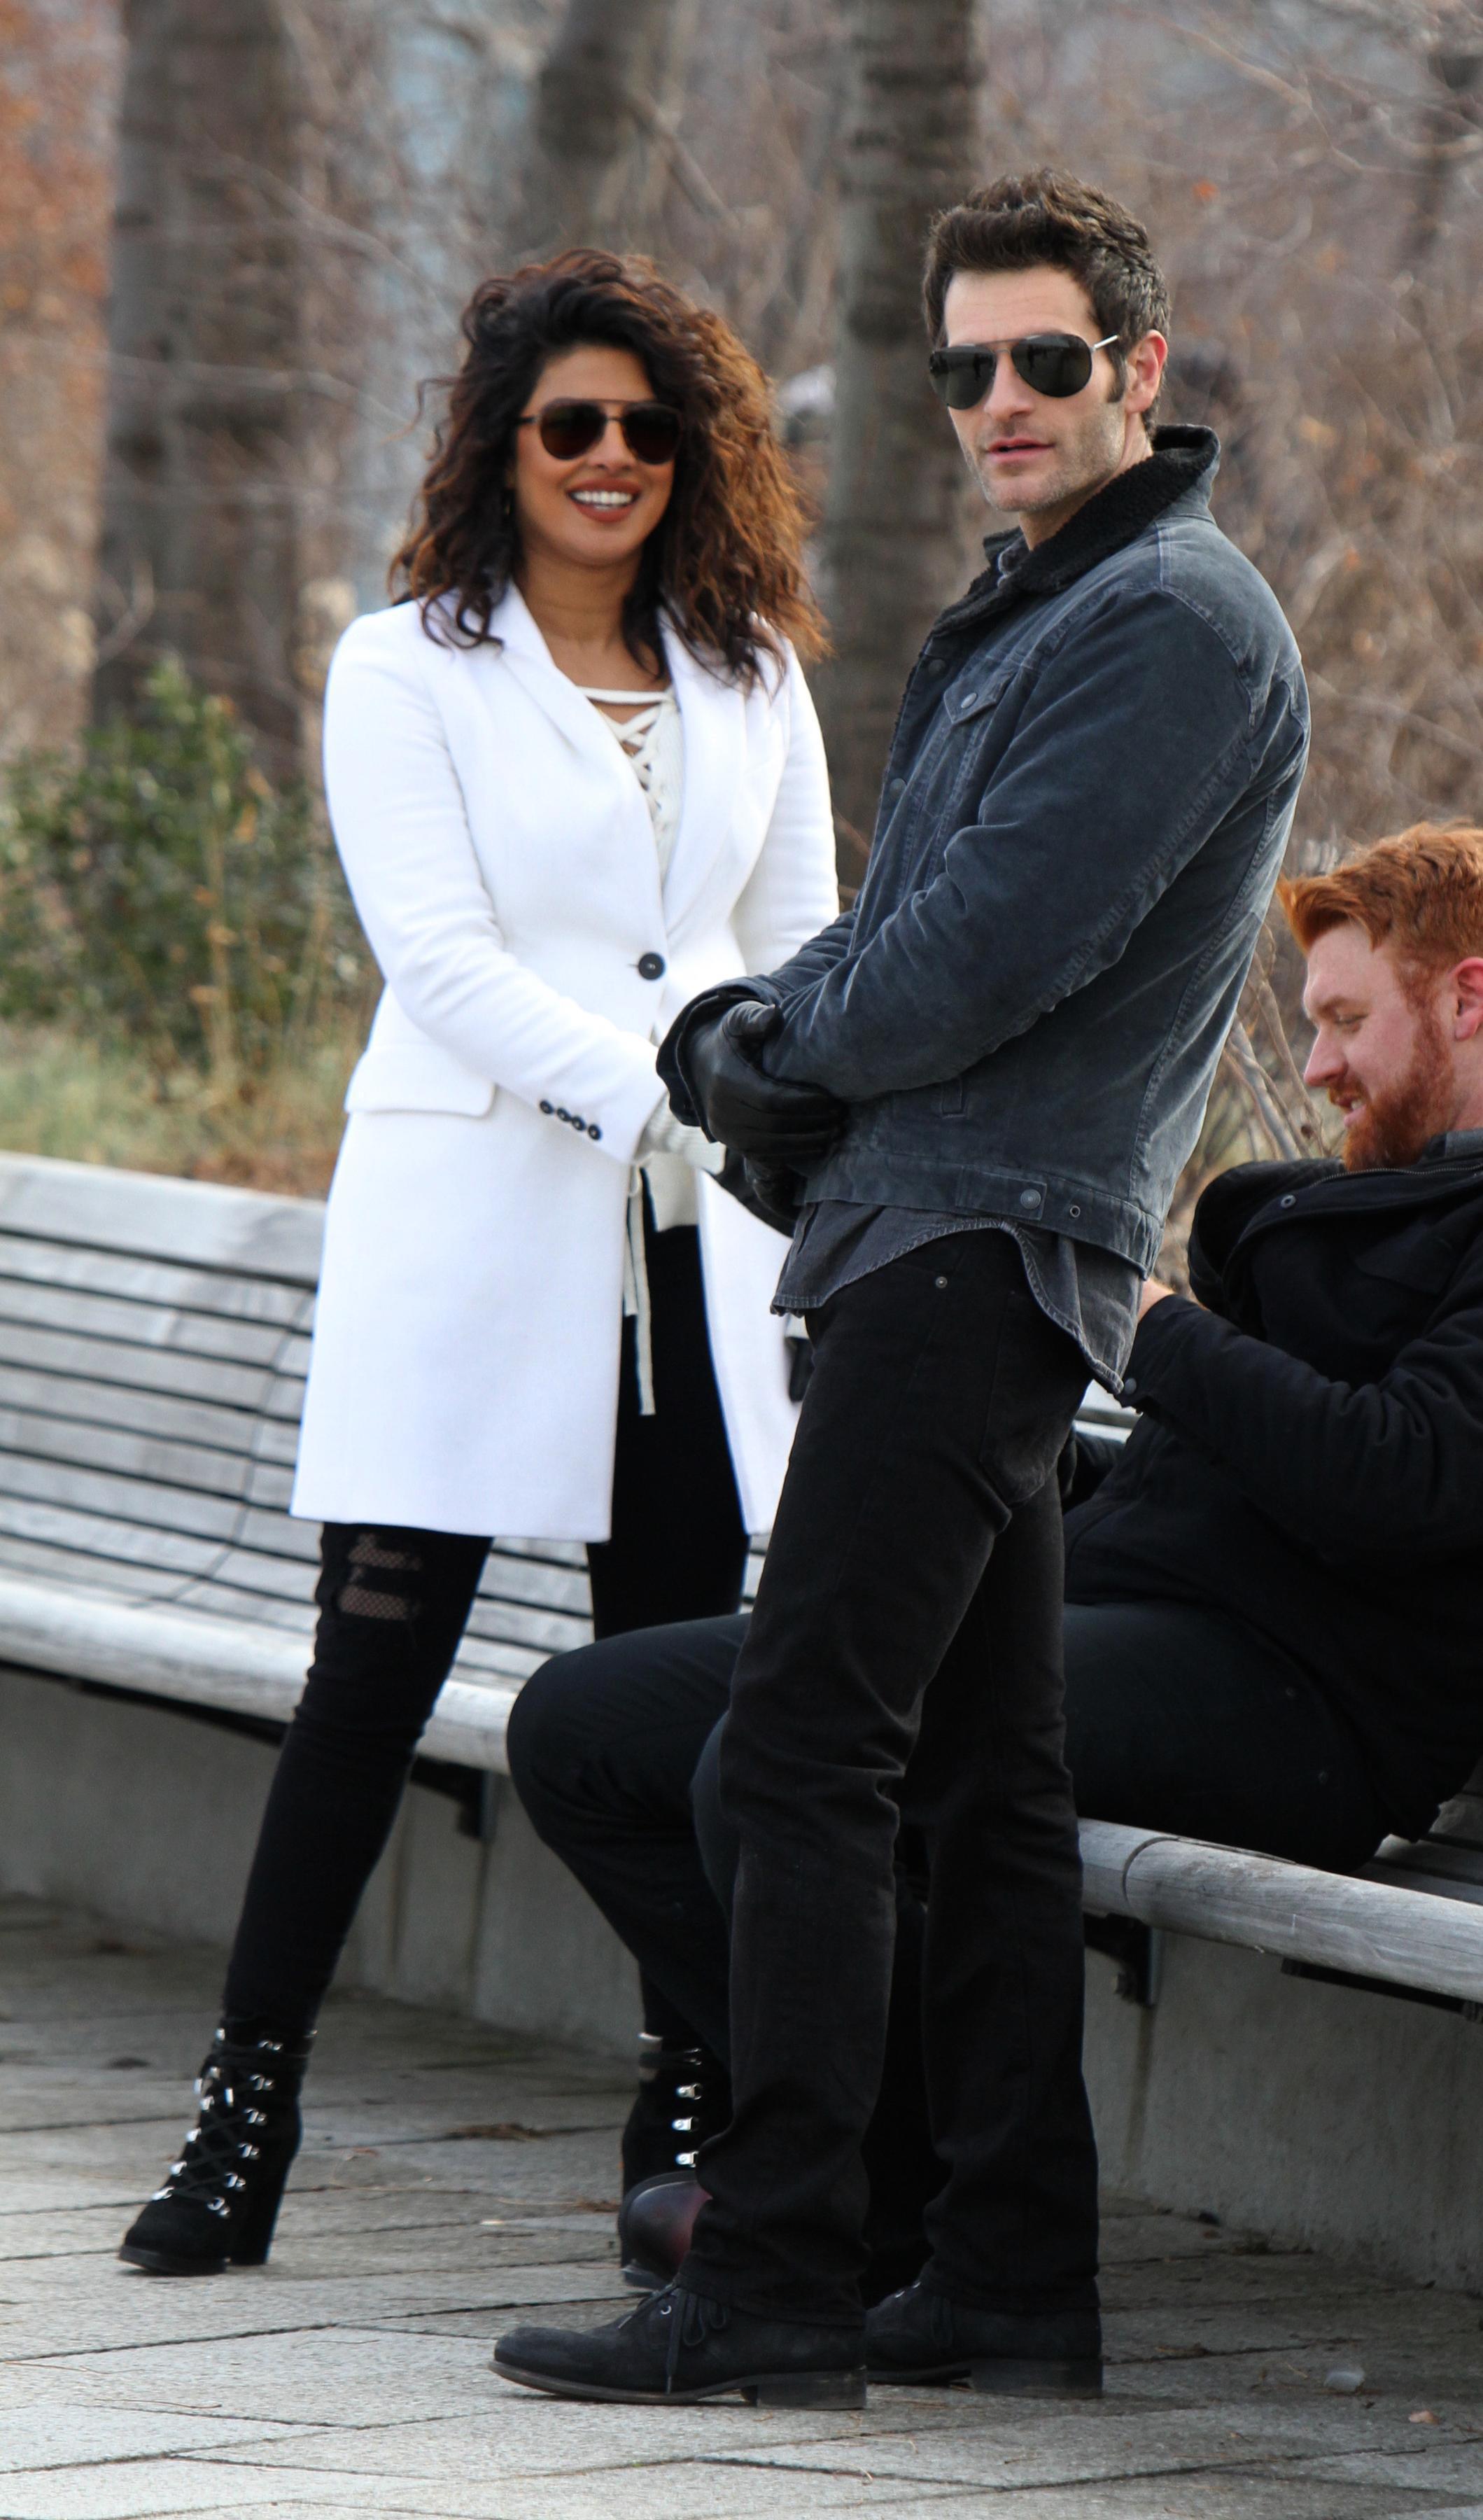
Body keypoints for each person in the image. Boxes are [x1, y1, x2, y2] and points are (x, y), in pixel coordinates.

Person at [492, 168, 1309, 2410]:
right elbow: (899, 909)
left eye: (1048, 358)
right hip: (932, 1236)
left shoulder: (1173, 624)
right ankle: (1010, 2275)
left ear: (1142, 367)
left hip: (982, 1247)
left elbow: (979, 954)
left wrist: (765, 1051)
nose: (1002, 400)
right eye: (967, 368)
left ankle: (772, 2281)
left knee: (799, 1755)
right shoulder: (1047, 604)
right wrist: (754, 1030)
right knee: (979, 1786)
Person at [118, 249, 840, 2279]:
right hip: (475, 1228)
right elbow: (436, 960)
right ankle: (243, 2110)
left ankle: (686, 2106)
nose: (611, 456)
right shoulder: (405, 666)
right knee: (370, 1678)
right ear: (501, 445)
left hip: (688, 1261)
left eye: (649, 425)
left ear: (697, 451)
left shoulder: (753, 672)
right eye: (569, 423)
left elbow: (801, 947)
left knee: (667, 1679)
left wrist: (783, 1114)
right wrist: (668, 1091)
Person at [507, 818, 1483, 2315]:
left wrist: (1145, 1324)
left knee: (777, 1766)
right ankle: (882, 2182)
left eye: (1346, 1021)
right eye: (1313, 1027)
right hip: (1121, 1601)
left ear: (1467, 996)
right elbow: (1188, 1470)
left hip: (1300, 1695)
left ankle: (870, 2216)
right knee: (584, 1730)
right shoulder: (1333, 1205)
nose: (1319, 1069)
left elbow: (1404, 1478)